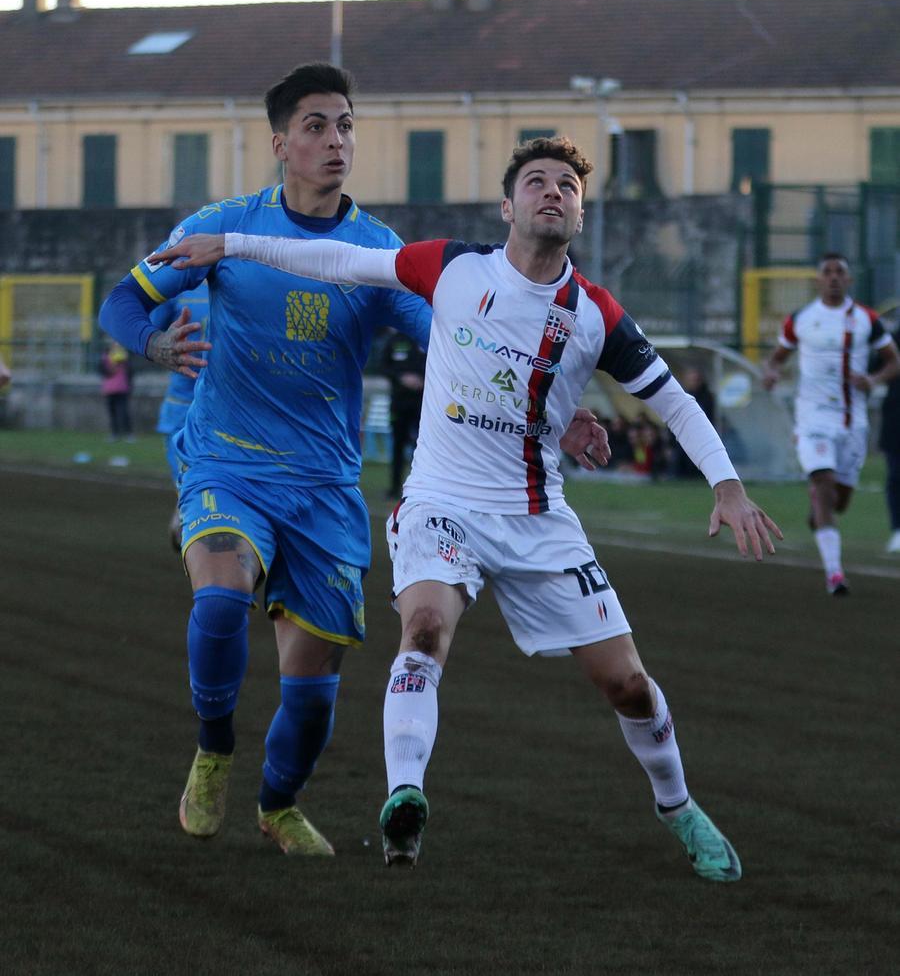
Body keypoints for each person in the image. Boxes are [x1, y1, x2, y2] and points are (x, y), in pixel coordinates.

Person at [152, 134, 782, 884]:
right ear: (507, 204)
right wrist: (229, 242)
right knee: (423, 629)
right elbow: (336, 261)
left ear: (579, 215)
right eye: (537, 181)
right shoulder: (452, 267)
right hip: (441, 503)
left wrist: (727, 484)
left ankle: (679, 806)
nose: (553, 192)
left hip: (538, 518)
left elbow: (673, 400)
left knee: (628, 685)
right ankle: (404, 799)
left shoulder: (594, 314)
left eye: (568, 188)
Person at [100, 66, 605, 859]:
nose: (335, 140)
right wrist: (158, 344)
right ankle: (213, 749)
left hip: (328, 488)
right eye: (315, 126)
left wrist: (556, 407)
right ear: (280, 144)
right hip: (228, 465)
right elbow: (120, 303)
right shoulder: (225, 225)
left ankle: (277, 802)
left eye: (344, 124)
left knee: (311, 686)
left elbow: (459, 339)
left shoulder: (378, 250)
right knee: (223, 598)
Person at [762, 253, 900, 593]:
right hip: (812, 419)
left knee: (840, 500)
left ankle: (819, 509)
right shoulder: (801, 319)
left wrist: (873, 380)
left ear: (849, 281)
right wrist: (771, 372)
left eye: (840, 272)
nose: (834, 277)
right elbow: (778, 357)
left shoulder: (867, 319)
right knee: (823, 483)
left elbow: (893, 361)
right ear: (818, 280)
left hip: (853, 424)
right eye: (828, 272)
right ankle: (834, 574)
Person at [149, 282, 210, 551]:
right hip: (182, 411)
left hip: (234, 412)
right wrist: (156, 343)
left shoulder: (254, 274)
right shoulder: (180, 281)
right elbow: (144, 330)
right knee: (192, 499)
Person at [380, 330, 426, 498]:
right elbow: (384, 366)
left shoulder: (426, 335)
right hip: (398, 403)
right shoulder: (394, 340)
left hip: (423, 404)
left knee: (422, 447)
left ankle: (420, 489)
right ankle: (394, 489)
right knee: (398, 446)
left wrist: (422, 379)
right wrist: (401, 377)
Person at [877, 326, 900, 554]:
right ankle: (898, 530)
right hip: (897, 414)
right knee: (896, 475)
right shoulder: (893, 337)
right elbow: (879, 365)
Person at [99, 340, 133, 440]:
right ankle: (115, 434)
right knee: (112, 413)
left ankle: (128, 433)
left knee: (123, 412)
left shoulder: (125, 357)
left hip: (122, 388)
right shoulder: (105, 357)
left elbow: (130, 373)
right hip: (109, 389)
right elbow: (103, 371)